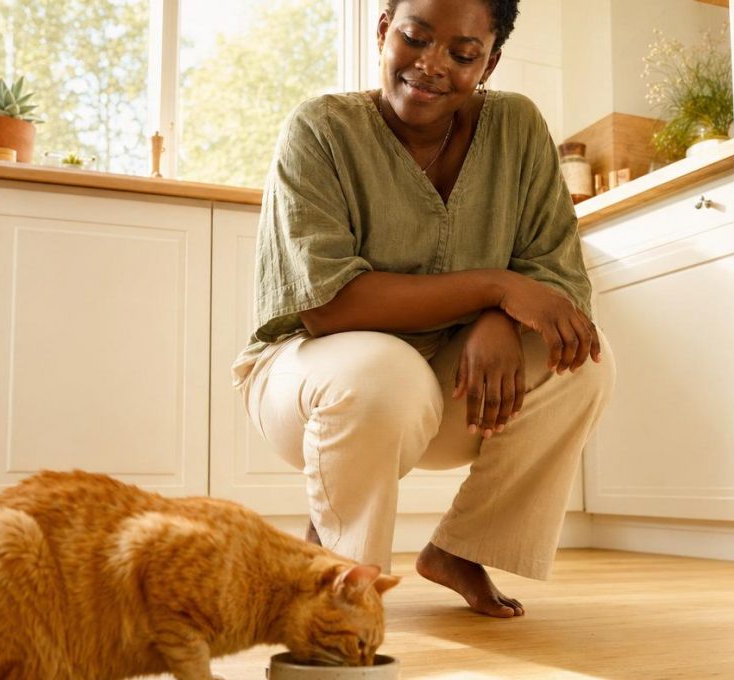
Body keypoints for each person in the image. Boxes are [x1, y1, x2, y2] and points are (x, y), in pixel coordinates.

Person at [233, 0, 615, 618]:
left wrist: (499, 317)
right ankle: (343, 580)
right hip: (304, 384)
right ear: (384, 30)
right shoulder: (321, 129)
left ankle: (462, 548)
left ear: (489, 63)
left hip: (447, 383)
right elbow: (330, 305)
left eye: (462, 55)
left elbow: (555, 278)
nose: (431, 65)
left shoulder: (516, 127)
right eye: (414, 38)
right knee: (382, 373)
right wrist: (495, 288)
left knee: (582, 360)